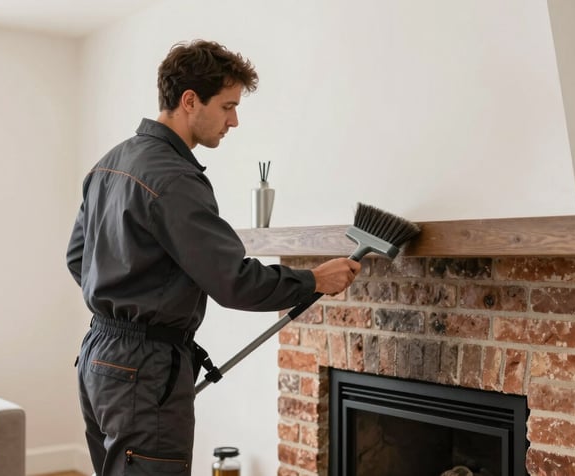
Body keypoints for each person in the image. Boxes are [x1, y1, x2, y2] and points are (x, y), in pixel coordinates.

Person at [66, 39, 361, 476]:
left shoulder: (109, 163)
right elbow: (233, 281)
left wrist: (129, 302)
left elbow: (78, 258)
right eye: (227, 106)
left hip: (98, 358)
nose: (234, 121)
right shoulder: (174, 178)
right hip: (143, 369)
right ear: (189, 101)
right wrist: (314, 280)